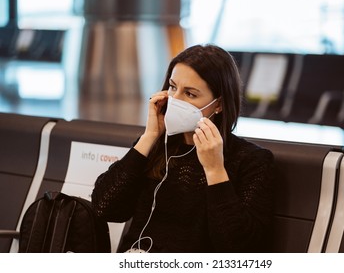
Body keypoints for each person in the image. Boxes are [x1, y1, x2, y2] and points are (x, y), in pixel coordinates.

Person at [91, 44, 275, 253]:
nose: (175, 100)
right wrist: (149, 136)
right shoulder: (157, 146)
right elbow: (104, 208)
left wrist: (215, 170)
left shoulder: (251, 161)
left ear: (219, 104)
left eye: (190, 94)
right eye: (172, 87)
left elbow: (238, 248)